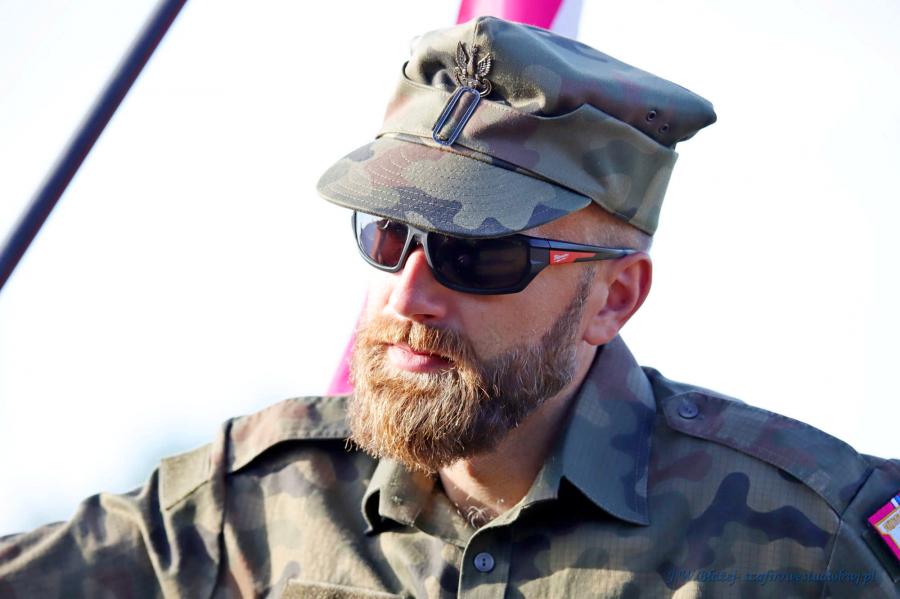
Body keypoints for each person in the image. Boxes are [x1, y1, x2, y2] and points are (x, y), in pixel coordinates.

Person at [1, 16, 898, 598]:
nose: (409, 292)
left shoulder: (810, 534)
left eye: (480, 254)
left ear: (613, 298)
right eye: (389, 234)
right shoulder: (251, 504)